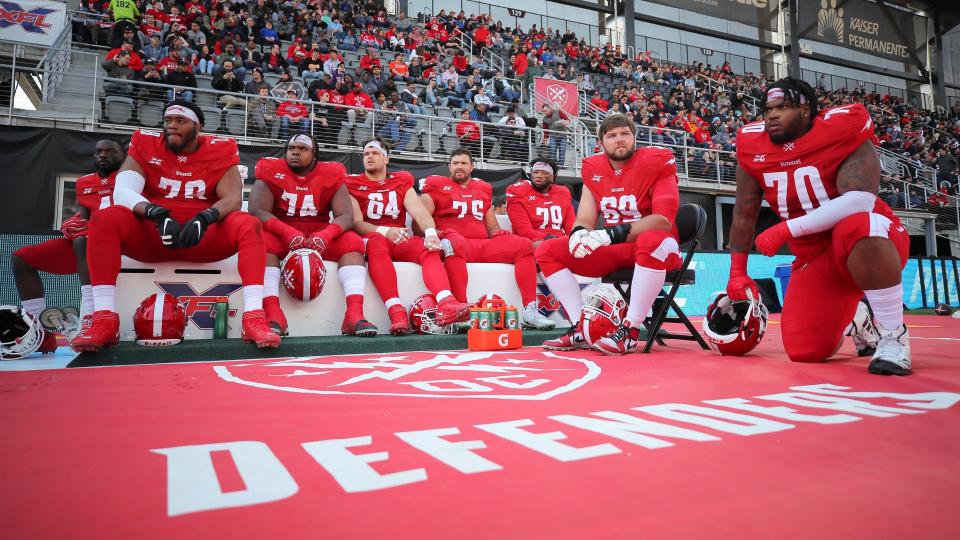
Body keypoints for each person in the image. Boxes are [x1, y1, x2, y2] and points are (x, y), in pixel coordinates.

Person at [729, 78, 911, 375]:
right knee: (805, 351)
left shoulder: (840, 130)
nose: (772, 115)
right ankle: (857, 317)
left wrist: (786, 230)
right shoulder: (753, 145)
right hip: (813, 258)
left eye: (783, 107)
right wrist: (737, 271)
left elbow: (859, 201)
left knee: (858, 226)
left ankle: (893, 337)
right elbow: (743, 211)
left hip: (869, 241)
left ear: (805, 110)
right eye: (768, 109)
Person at [74, 102, 279, 351]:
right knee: (105, 218)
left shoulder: (220, 150)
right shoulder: (146, 145)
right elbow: (123, 190)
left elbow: (233, 199)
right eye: (168, 120)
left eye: (180, 121)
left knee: (248, 223)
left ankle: (253, 318)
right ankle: (104, 319)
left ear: (197, 126)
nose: (171, 125)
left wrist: (206, 217)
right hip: (153, 234)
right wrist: (154, 213)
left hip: (202, 236)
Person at [535, 114, 682, 354]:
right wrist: (579, 235)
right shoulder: (594, 168)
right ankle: (580, 327)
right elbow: (584, 218)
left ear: (635, 138)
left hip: (656, 249)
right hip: (615, 250)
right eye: (612, 135)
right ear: (601, 142)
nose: (619, 140)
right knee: (547, 250)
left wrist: (609, 235)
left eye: (625, 133)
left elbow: (663, 222)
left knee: (651, 240)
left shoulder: (656, 161)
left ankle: (631, 330)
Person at [248, 134, 378, 337]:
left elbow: (345, 216)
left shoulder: (331, 172)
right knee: (260, 241)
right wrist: (287, 231)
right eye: (291, 148)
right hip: (281, 230)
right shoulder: (270, 169)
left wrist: (326, 235)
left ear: (314, 154)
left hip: (318, 230)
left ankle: (353, 314)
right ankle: (273, 314)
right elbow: (256, 211)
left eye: (302, 148)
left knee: (352, 242)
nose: (295, 152)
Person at [345, 139, 471, 334]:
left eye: (374, 153)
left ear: (386, 158)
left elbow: (419, 212)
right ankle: (396, 312)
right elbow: (357, 223)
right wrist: (385, 231)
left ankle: (446, 301)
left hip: (399, 236)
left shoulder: (401, 180)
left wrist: (430, 233)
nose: (369, 156)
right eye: (366, 154)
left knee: (428, 248)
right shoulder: (352, 183)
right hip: (375, 236)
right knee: (376, 243)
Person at [419, 149, 555, 329]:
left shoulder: (482, 188)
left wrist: (502, 235)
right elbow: (419, 221)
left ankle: (530, 310)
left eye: (464, 163)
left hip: (481, 244)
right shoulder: (435, 185)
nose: (459, 166)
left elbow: (492, 228)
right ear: (449, 166)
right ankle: (461, 311)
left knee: (523, 245)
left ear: (472, 167)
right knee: (455, 242)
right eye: (455, 163)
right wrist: (436, 232)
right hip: (454, 244)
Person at [11, 140, 123, 353]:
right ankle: (40, 331)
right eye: (98, 151)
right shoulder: (85, 182)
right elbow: (84, 217)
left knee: (83, 240)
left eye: (110, 151)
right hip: (88, 248)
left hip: (120, 243)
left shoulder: (131, 178)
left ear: (124, 154)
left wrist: (87, 229)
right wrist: (75, 222)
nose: (103, 155)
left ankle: (90, 316)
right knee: (22, 257)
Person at [506, 159, 575, 248]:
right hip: (532, 241)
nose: (538, 176)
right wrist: (549, 238)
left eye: (544, 173)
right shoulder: (518, 192)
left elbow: (571, 226)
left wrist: (575, 239)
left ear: (553, 176)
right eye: (535, 172)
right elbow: (524, 231)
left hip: (558, 240)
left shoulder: (563, 192)